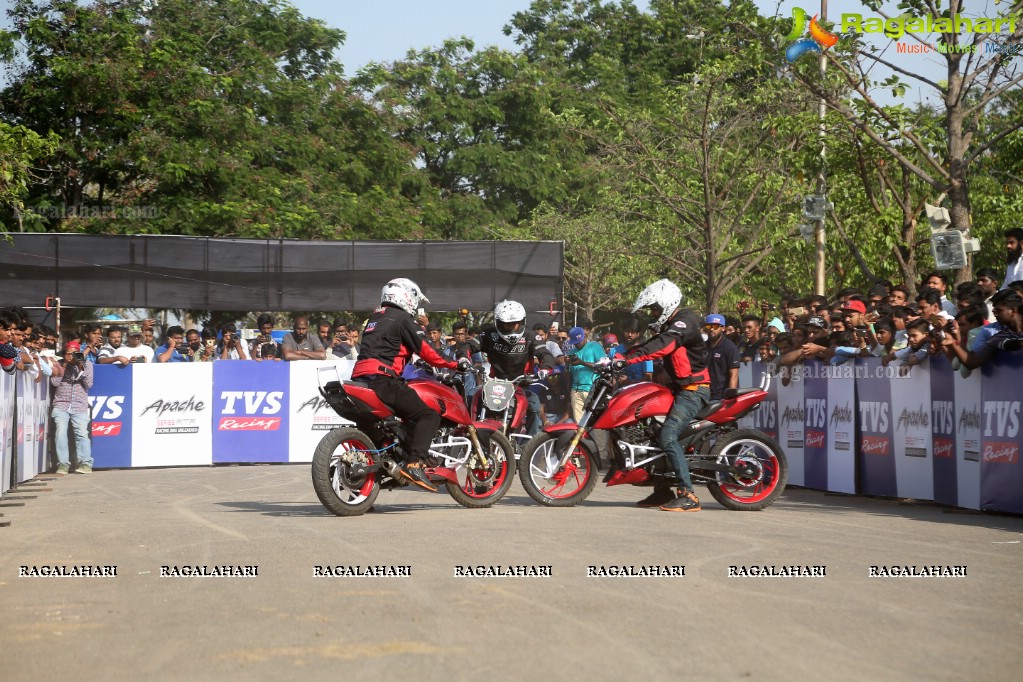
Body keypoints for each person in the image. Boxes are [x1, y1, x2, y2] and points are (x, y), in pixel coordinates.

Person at [351, 278, 464, 491]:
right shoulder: (402, 318)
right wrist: (454, 363)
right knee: (429, 415)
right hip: (382, 380)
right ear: (406, 296)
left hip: (359, 378)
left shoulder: (374, 318)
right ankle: (415, 464)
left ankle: (380, 473)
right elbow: (426, 350)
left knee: (394, 423)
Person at [623, 279, 710, 513]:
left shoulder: (685, 321)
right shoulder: (670, 324)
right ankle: (662, 490)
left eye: (654, 309)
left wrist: (627, 358)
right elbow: (652, 343)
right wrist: (618, 359)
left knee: (668, 435)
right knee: (652, 432)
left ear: (667, 304)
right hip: (676, 390)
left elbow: (663, 345)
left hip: (693, 391)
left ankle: (689, 494)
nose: (653, 314)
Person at [477, 300, 556, 436]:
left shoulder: (531, 336)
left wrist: (545, 368)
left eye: (514, 324)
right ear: (498, 323)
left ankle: (528, 443)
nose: (511, 328)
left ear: (522, 321)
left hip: (520, 385)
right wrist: (463, 358)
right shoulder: (489, 335)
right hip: (494, 383)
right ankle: (470, 434)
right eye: (506, 324)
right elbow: (470, 345)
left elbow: (545, 353)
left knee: (534, 405)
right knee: (473, 396)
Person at [50, 340, 94, 474]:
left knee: (82, 434)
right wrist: (63, 368)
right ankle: (63, 464)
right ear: (64, 354)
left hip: (79, 405)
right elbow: (54, 382)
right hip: (61, 404)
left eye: (74, 354)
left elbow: (89, 383)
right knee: (60, 432)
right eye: (68, 354)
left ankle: (85, 463)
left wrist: (80, 366)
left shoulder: (87, 364)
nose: (71, 357)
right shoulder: (59, 364)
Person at [564, 326, 605, 424]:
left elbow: (603, 366)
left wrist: (582, 362)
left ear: (584, 337)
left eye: (578, 342)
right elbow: (567, 375)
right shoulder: (571, 353)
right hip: (576, 391)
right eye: (574, 343)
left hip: (593, 390)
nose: (577, 345)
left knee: (595, 422)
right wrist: (566, 364)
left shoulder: (594, 346)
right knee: (579, 424)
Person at [704, 314, 739, 401]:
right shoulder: (702, 346)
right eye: (709, 326)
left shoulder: (730, 347)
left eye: (715, 326)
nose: (712, 329)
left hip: (721, 397)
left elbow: (734, 375)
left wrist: (730, 399)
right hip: (703, 394)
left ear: (723, 328)